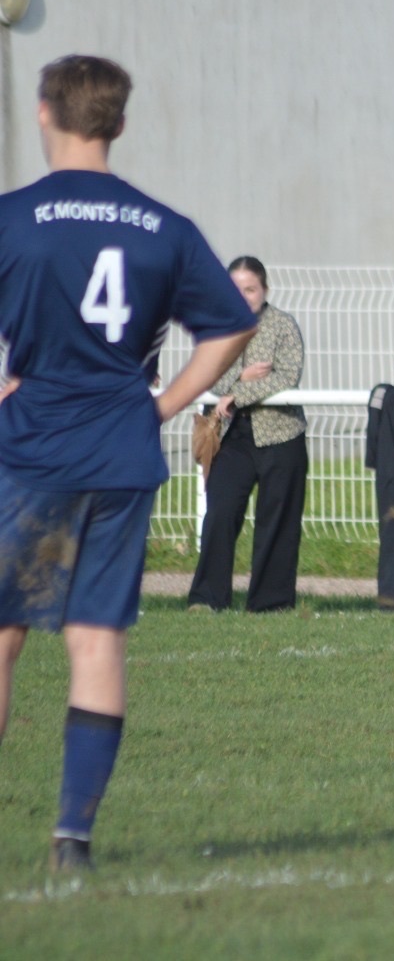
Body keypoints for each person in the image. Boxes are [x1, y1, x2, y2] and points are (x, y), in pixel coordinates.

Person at [0, 55, 257, 873]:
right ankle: (73, 838)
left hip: (32, 449)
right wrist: (165, 402)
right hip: (121, 447)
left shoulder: (14, 218)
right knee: (96, 639)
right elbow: (233, 324)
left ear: (45, 112)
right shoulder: (162, 227)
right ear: (119, 122)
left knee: (3, 635)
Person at [187, 257, 308, 613]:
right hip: (232, 436)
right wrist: (241, 378)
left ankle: (271, 603)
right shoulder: (216, 328)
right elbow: (208, 376)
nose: (243, 297)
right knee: (220, 513)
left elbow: (287, 376)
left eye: (250, 289)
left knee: (278, 520)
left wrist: (237, 394)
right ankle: (207, 598)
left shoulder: (283, 325)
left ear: (265, 290)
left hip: (281, 433)